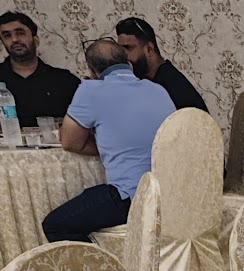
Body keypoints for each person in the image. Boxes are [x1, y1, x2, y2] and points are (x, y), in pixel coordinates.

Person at [41, 37, 174, 242]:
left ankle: (100, 264)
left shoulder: (91, 90)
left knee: (54, 225)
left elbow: (69, 141)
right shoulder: (158, 89)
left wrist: (107, 146)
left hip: (130, 197)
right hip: (168, 191)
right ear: (128, 63)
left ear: (93, 72)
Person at [0, 10, 80, 129]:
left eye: (20, 33)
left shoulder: (64, 80)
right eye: (7, 36)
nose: (14, 39)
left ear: (36, 40)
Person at [114, 16, 208, 113]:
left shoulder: (174, 87)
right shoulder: (145, 82)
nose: (123, 56)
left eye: (128, 48)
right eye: (120, 50)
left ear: (149, 49)